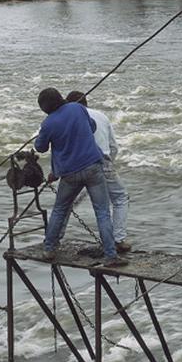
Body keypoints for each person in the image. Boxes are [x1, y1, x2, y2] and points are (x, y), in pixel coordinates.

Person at [34, 88, 128, 267]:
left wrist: (44, 134)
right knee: (102, 212)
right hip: (93, 167)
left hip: (69, 174)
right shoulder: (77, 108)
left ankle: (49, 248)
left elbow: (40, 147)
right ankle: (111, 256)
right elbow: (91, 126)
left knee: (60, 210)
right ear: (60, 98)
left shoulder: (48, 124)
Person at [66, 91, 131, 253]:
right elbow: (113, 146)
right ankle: (118, 239)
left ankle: (54, 239)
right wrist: (110, 163)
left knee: (65, 203)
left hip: (76, 164)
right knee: (120, 198)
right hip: (102, 162)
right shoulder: (101, 116)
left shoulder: (69, 118)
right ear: (86, 103)